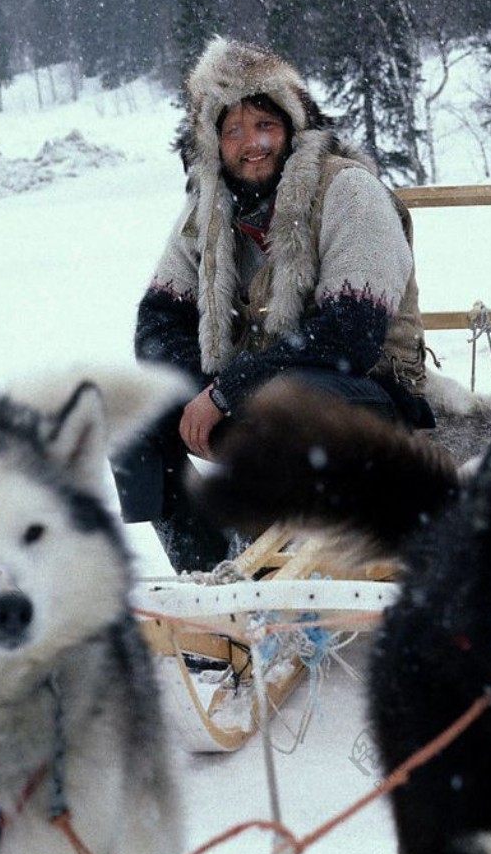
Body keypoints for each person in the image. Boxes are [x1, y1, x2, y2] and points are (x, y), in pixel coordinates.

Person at [112, 35, 435, 573]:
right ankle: (207, 586)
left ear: (292, 127)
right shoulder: (208, 208)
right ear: (213, 142)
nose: (251, 143)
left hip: (370, 398)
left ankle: (253, 586)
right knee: (134, 413)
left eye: (265, 125)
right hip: (253, 395)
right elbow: (159, 320)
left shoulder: (348, 192)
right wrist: (199, 395)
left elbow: (348, 337)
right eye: (233, 129)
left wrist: (228, 394)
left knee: (280, 404)